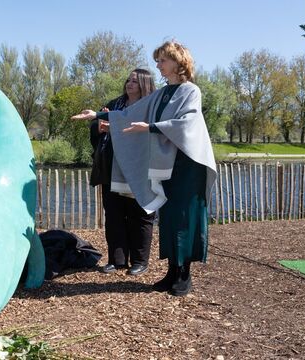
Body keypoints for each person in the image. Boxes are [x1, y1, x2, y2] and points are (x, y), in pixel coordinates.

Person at [72, 41, 217, 296]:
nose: (158, 65)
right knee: (170, 218)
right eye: (158, 60)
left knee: (186, 218)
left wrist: (149, 128)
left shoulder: (190, 91)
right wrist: (98, 115)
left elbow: (186, 124)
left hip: (188, 164)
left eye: (162, 60)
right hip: (170, 164)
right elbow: (132, 112)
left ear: (177, 62)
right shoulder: (162, 93)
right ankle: (172, 272)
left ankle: (184, 276)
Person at [89, 69, 156, 276]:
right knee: (115, 214)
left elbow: (149, 134)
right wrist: (98, 127)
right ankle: (116, 260)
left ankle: (139, 261)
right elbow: (97, 127)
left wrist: (116, 129)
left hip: (139, 168)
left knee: (140, 215)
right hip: (111, 166)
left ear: (145, 84)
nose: (130, 84)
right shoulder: (115, 103)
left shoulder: (150, 107)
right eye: (128, 80)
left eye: (135, 81)